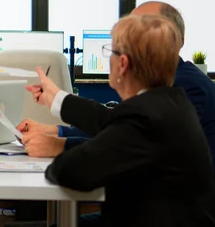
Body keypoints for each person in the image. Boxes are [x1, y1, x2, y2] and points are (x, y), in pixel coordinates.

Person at [27, 14, 215, 227]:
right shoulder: (173, 102)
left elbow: (73, 171)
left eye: (111, 52)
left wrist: (59, 152)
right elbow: (112, 122)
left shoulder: (144, 116)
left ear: (123, 63)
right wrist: (58, 99)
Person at [17, 1, 215, 168]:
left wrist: (59, 145)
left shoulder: (188, 88)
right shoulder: (161, 88)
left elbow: (127, 145)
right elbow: (117, 127)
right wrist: (56, 130)